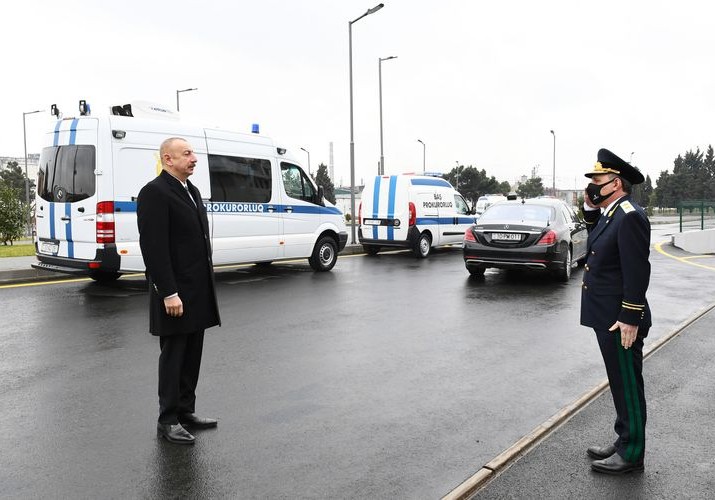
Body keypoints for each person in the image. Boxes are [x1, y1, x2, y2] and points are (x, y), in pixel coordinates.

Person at [137, 137, 221, 445]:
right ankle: (168, 420)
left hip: (196, 290)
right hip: (175, 293)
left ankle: (186, 412)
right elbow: (154, 247)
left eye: (193, 153)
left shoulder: (192, 191)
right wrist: (168, 292)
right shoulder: (154, 193)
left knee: (192, 355)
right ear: (168, 159)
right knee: (173, 356)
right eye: (187, 154)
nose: (194, 158)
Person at [580, 148, 651, 474]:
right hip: (607, 315)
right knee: (618, 381)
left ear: (616, 183)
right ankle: (624, 439)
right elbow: (596, 236)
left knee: (627, 384)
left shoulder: (631, 215)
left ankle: (632, 452)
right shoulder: (612, 212)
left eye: (598, 179)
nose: (593, 184)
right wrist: (589, 205)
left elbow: (637, 272)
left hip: (620, 319)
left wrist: (629, 317)